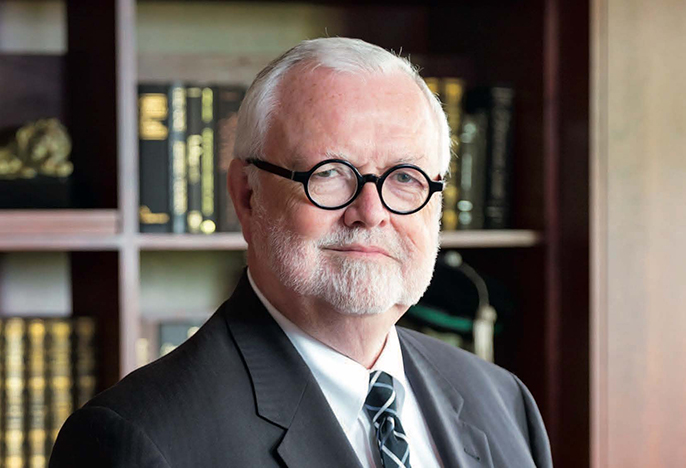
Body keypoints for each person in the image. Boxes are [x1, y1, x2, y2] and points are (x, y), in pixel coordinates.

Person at [50, 37, 552, 468]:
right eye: (330, 173)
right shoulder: (138, 440)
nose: (371, 212)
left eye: (404, 177)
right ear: (246, 196)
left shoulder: (503, 403)